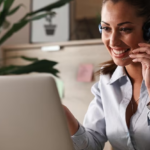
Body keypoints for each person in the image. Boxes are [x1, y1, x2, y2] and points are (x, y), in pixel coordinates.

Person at [63, 0, 150, 149]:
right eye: (106, 28)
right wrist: (61, 113)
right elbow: (91, 145)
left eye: (124, 29)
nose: (113, 41)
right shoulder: (107, 83)